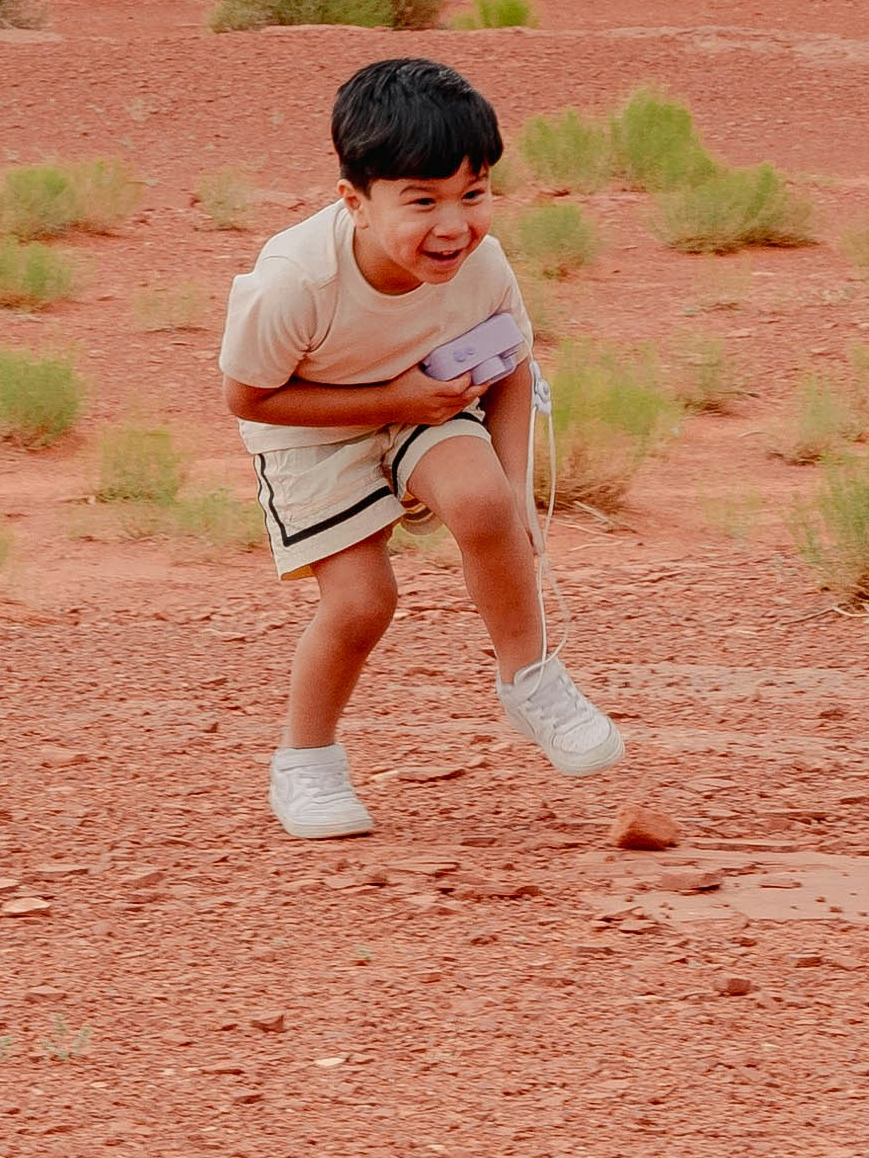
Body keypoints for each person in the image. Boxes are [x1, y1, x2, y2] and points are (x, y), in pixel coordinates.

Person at [216, 53, 629, 838]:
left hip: (424, 403)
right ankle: (305, 763)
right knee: (363, 603)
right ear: (356, 202)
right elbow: (248, 397)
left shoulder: (482, 265)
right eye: (422, 201)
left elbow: (510, 364)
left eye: (474, 194)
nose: (454, 225)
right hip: (309, 427)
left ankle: (531, 678)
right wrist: (391, 398)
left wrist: (514, 490)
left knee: (483, 502)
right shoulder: (295, 282)